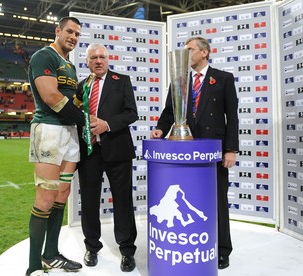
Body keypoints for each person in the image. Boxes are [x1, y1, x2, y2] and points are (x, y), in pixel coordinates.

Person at [150, 36, 239, 270]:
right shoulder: (180, 80)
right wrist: (160, 128)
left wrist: (230, 149)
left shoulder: (223, 79)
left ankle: (222, 250)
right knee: (191, 200)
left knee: (218, 200)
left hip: (214, 152)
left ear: (204, 53)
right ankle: (195, 244)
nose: (186, 54)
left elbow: (233, 117)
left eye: (190, 50)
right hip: (186, 151)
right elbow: (169, 111)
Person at [26, 16, 87, 276]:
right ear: (58, 31)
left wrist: (84, 111)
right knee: (46, 198)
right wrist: (85, 119)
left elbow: (72, 100)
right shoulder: (44, 56)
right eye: (69, 31)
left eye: (77, 34)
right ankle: (33, 267)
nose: (73, 37)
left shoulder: (70, 66)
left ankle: (50, 255)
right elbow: (51, 96)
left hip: (69, 133)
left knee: (62, 194)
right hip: (49, 131)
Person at [76, 43, 138, 272]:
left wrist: (107, 125)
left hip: (118, 152)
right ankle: (92, 247)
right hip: (89, 153)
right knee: (89, 202)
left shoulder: (121, 81)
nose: (98, 60)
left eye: (102, 56)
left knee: (123, 201)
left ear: (108, 59)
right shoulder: (81, 87)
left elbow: (132, 113)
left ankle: (127, 250)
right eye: (94, 57)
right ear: (87, 62)